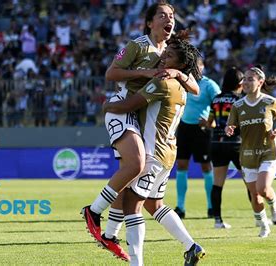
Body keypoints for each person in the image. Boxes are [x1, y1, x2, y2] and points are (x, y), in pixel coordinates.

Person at [81, 1, 200, 261]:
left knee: (130, 179)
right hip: (121, 110)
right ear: (149, 22)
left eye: (172, 16)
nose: (169, 20)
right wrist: (146, 73)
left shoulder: (171, 52)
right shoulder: (139, 45)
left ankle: (110, 235)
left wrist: (178, 75)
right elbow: (111, 73)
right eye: (163, 15)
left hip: (136, 115)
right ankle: (94, 212)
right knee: (135, 166)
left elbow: (196, 85)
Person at [102, 31, 205, 266]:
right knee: (153, 204)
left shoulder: (162, 82)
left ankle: (135, 262)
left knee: (131, 204)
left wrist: (107, 105)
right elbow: (194, 86)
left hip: (153, 153)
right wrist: (178, 72)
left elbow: (129, 104)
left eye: (168, 57)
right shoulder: (181, 85)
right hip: (167, 152)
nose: (162, 58)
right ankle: (191, 246)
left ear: (178, 65)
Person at [225, 65, 276, 238]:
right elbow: (230, 124)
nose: (245, 82)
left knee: (262, 188)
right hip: (247, 154)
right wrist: (229, 128)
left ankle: (273, 204)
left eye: (250, 79)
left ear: (260, 82)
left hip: (268, 151)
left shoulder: (270, 102)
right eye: (244, 79)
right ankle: (263, 225)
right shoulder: (237, 105)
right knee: (254, 194)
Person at [174, 58, 221, 219]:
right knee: (181, 165)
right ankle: (180, 207)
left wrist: (211, 122)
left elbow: (220, 105)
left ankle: (211, 206)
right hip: (184, 127)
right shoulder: (183, 81)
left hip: (202, 130)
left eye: (197, 66)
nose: (194, 69)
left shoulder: (209, 85)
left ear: (202, 67)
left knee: (206, 167)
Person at [207, 67, 244, 229]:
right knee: (250, 181)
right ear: (239, 83)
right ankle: (259, 218)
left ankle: (218, 220)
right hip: (236, 143)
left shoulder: (216, 99)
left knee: (217, 183)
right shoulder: (240, 100)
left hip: (217, 143)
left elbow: (210, 123)